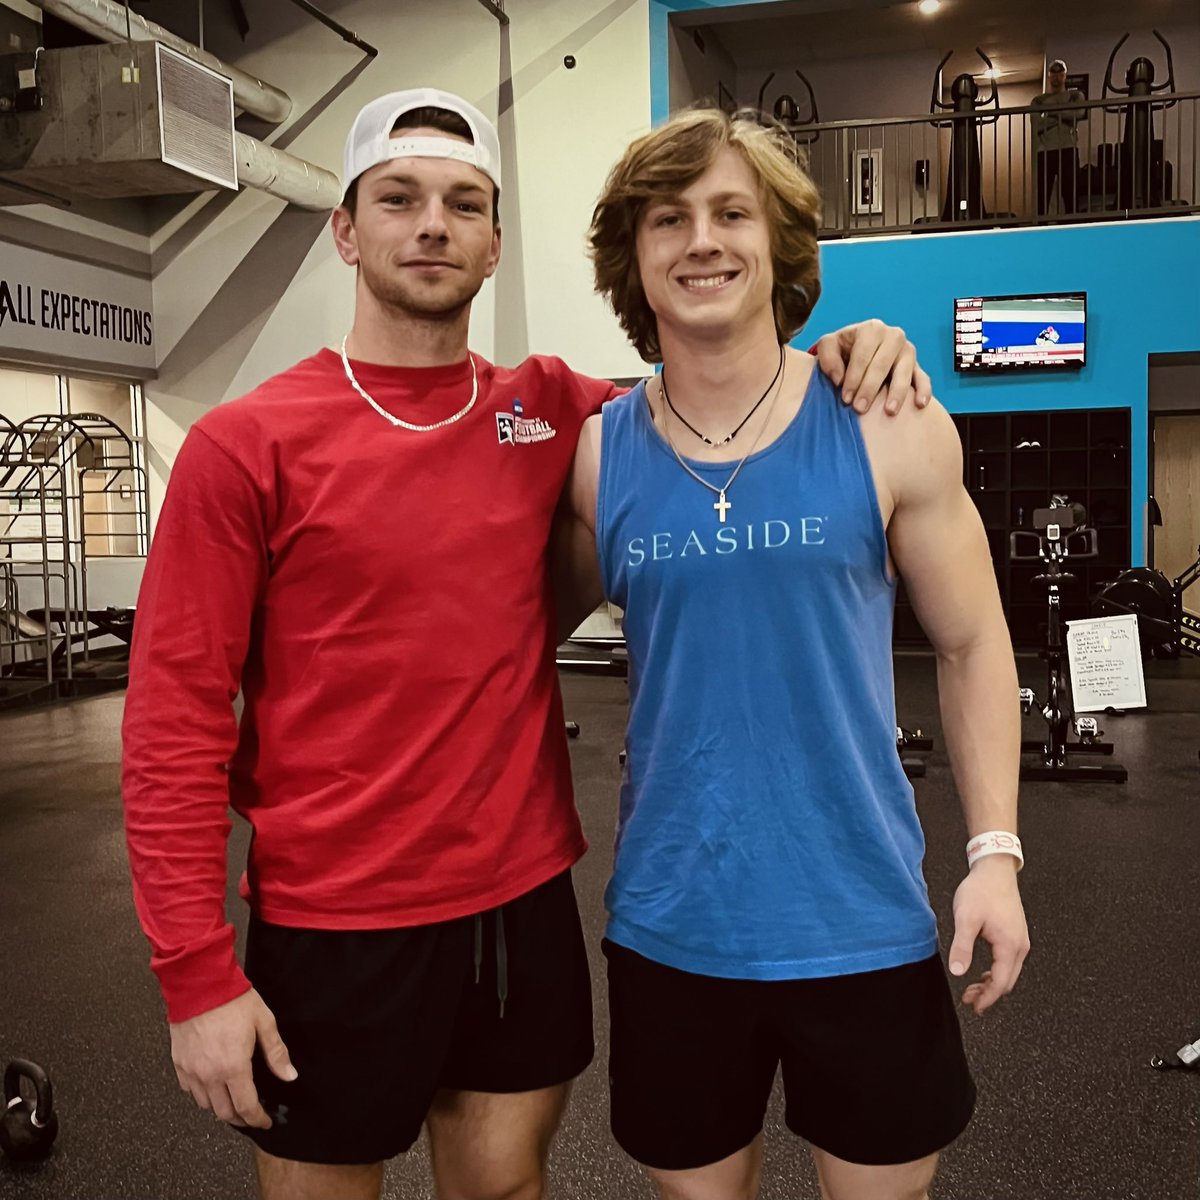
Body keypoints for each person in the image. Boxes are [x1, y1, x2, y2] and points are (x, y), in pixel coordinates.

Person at [122, 87, 936, 1200]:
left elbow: (723, 395)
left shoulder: (554, 410)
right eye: (397, 199)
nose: (431, 225)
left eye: (463, 204)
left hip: (516, 906)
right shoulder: (243, 446)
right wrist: (194, 975)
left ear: (496, 242)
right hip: (332, 922)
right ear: (345, 229)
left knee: (505, 1189)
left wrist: (852, 343)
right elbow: (171, 723)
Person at [563, 107, 1031, 1199]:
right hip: (674, 925)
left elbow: (972, 644)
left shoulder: (887, 420)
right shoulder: (596, 456)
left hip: (860, 917)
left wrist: (996, 855)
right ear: (634, 258)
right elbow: (490, 639)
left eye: (733, 212)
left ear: (779, 242)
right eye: (668, 219)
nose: (703, 241)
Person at [1032, 59, 1087, 217]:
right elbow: (1037, 125)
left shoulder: (1075, 95)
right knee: (1042, 197)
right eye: (1053, 73)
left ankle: (1072, 230)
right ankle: (1040, 231)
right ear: (1049, 76)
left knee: (1071, 195)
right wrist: (1064, 114)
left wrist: (1051, 112)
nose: (1057, 77)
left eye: (1060, 73)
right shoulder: (1038, 100)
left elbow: (1078, 114)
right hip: (1045, 151)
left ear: (1065, 75)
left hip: (1068, 149)